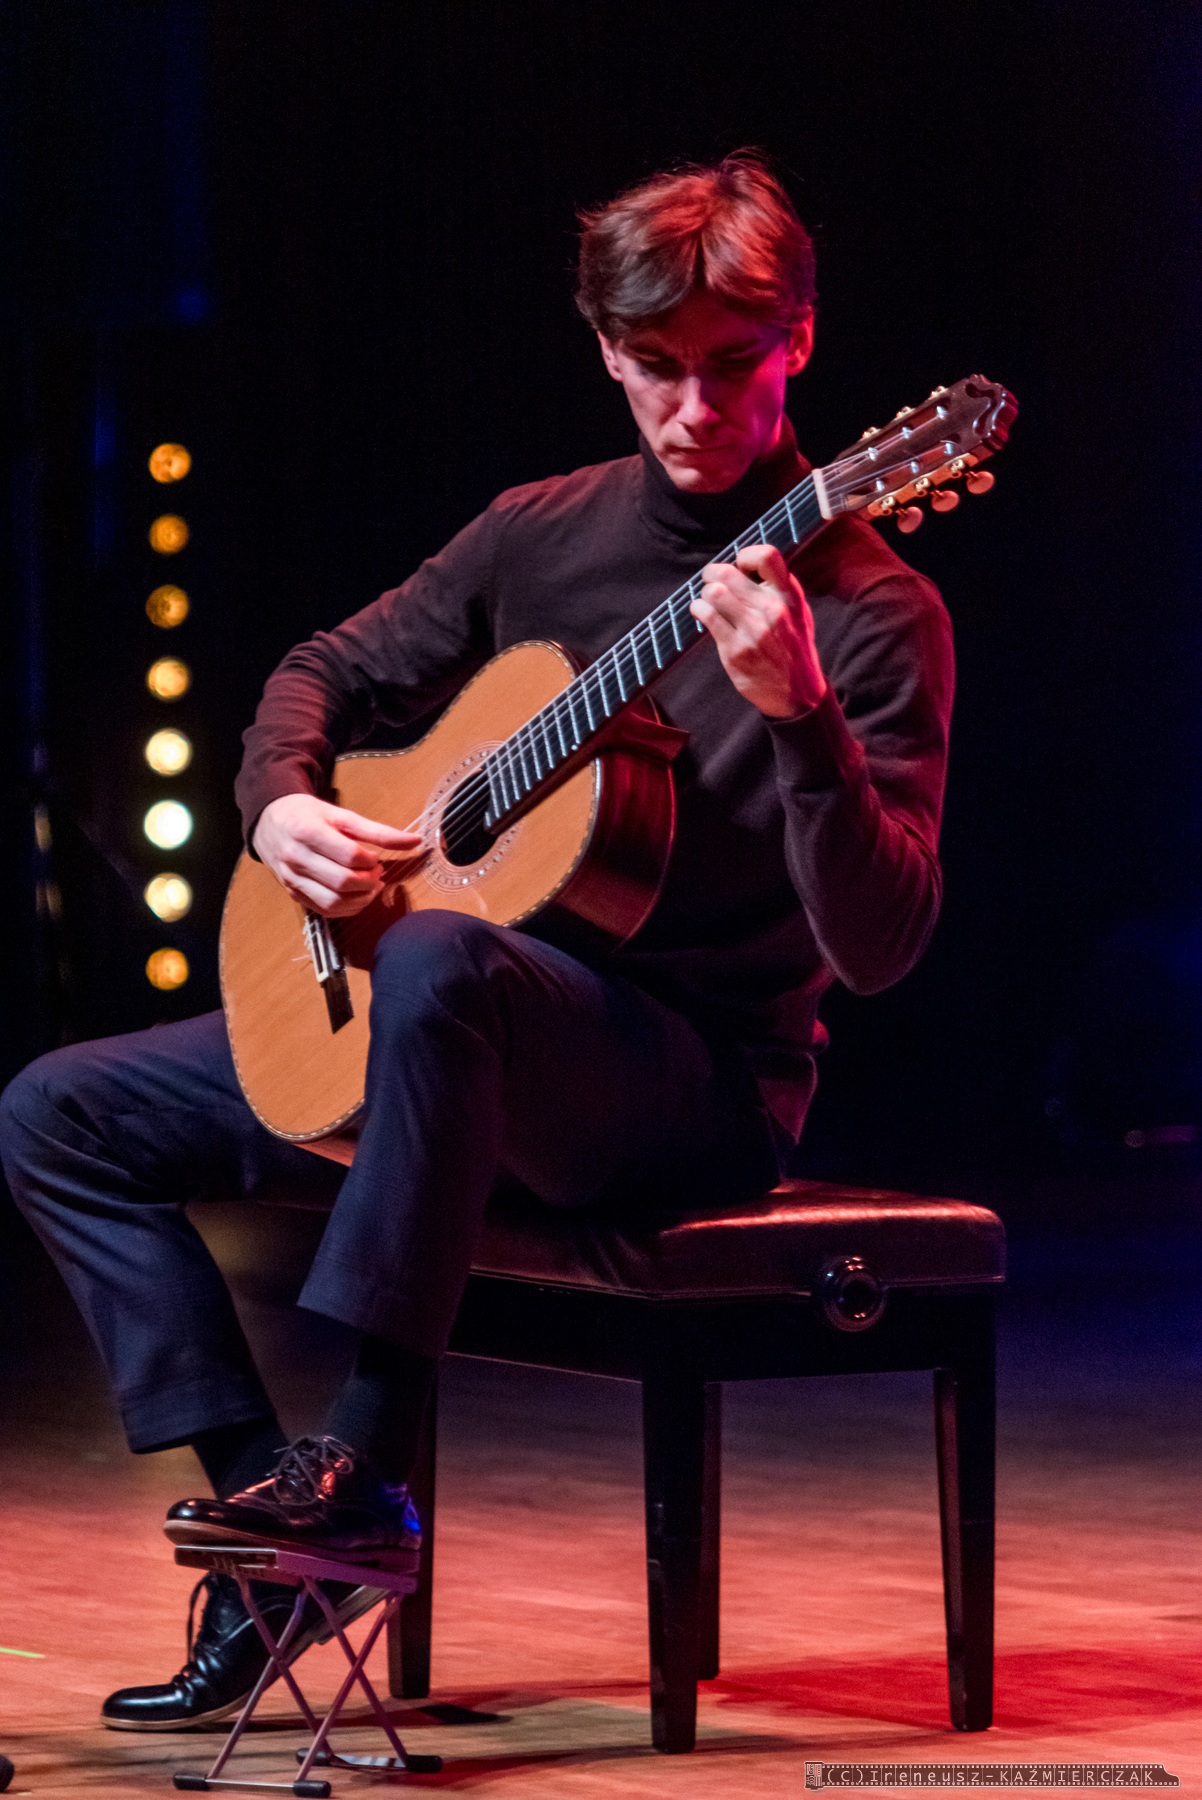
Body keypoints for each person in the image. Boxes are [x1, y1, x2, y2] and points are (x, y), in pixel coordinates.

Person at [0, 154, 953, 1729]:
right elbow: (319, 669)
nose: (694, 407)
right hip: (460, 1043)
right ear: (603, 350)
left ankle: (361, 1460)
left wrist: (802, 724)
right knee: (61, 1112)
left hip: (689, 1091)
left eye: (733, 364)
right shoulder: (539, 533)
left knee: (447, 963)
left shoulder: (869, 611)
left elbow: (882, 943)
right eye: (653, 365)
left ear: (799, 340)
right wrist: (279, 805)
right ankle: (279, 1537)